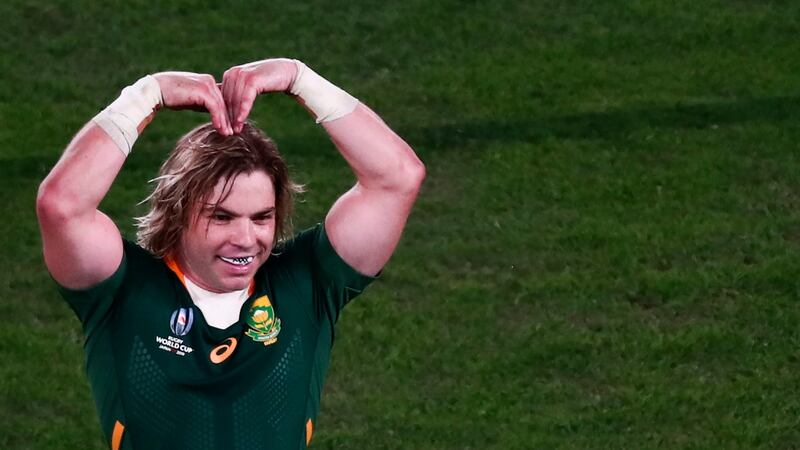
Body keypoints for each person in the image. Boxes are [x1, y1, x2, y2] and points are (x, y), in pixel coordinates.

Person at [36, 58, 425, 450]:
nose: (245, 238)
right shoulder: (122, 290)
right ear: (178, 211)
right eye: (222, 217)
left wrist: (299, 78)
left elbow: (397, 179)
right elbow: (62, 206)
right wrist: (146, 95)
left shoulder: (307, 283)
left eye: (262, 218)